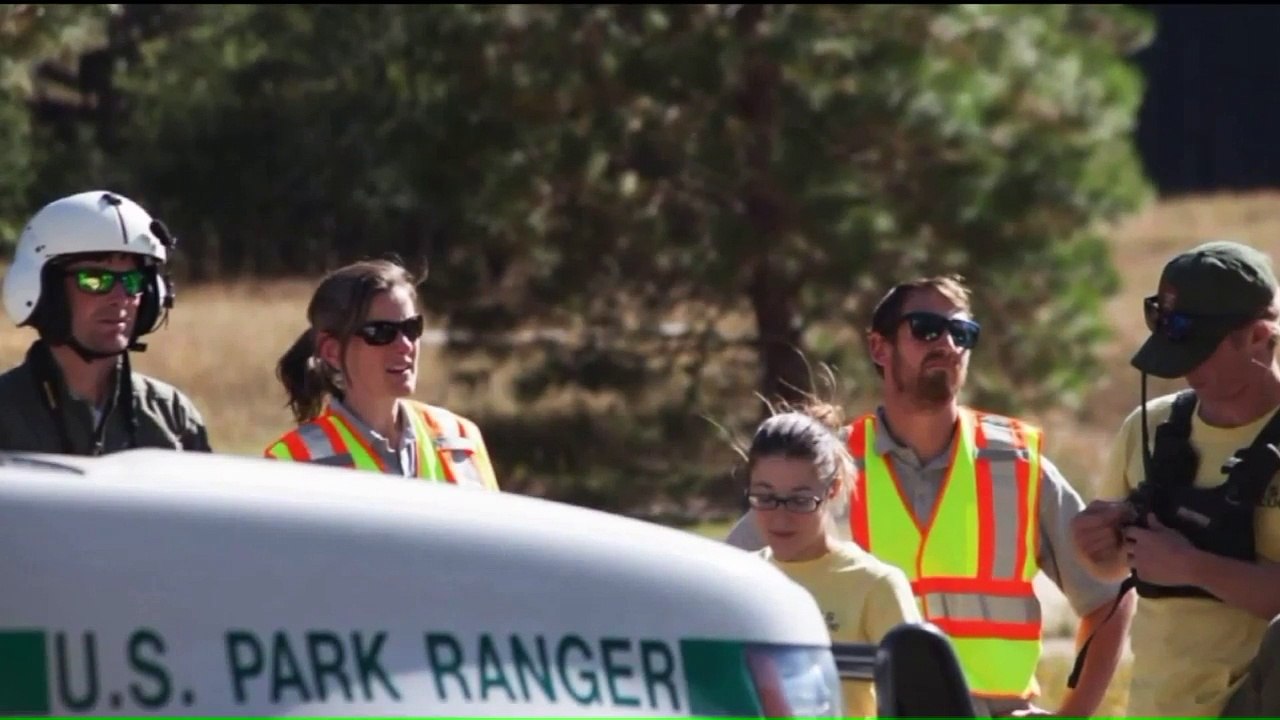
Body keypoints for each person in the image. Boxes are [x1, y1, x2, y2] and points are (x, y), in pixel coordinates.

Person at [725, 274, 1133, 717]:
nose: (948, 344)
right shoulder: (829, 467)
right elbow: (727, 588)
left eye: (962, 334)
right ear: (879, 348)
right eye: (925, 329)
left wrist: (1074, 715)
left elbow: (1108, 598)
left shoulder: (1016, 466)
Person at [1071, 240, 1280, 718]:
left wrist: (1192, 566)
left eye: (1200, 351)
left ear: (1258, 335)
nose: (1184, 366)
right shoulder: (1147, 428)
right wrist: (1094, 545)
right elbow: (1111, 570)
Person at [740, 401, 921, 718]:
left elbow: (919, 706)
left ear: (833, 489)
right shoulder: (741, 579)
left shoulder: (875, 586)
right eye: (765, 498)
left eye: (799, 500)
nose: (780, 517)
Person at [0, 190, 211, 454]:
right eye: (95, 280)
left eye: (133, 281)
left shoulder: (172, 417)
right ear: (46, 292)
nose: (121, 298)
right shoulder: (6, 415)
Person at [262, 258, 500, 490]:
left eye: (411, 328)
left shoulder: (461, 438)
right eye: (381, 332)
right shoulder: (292, 462)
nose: (405, 344)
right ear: (331, 351)